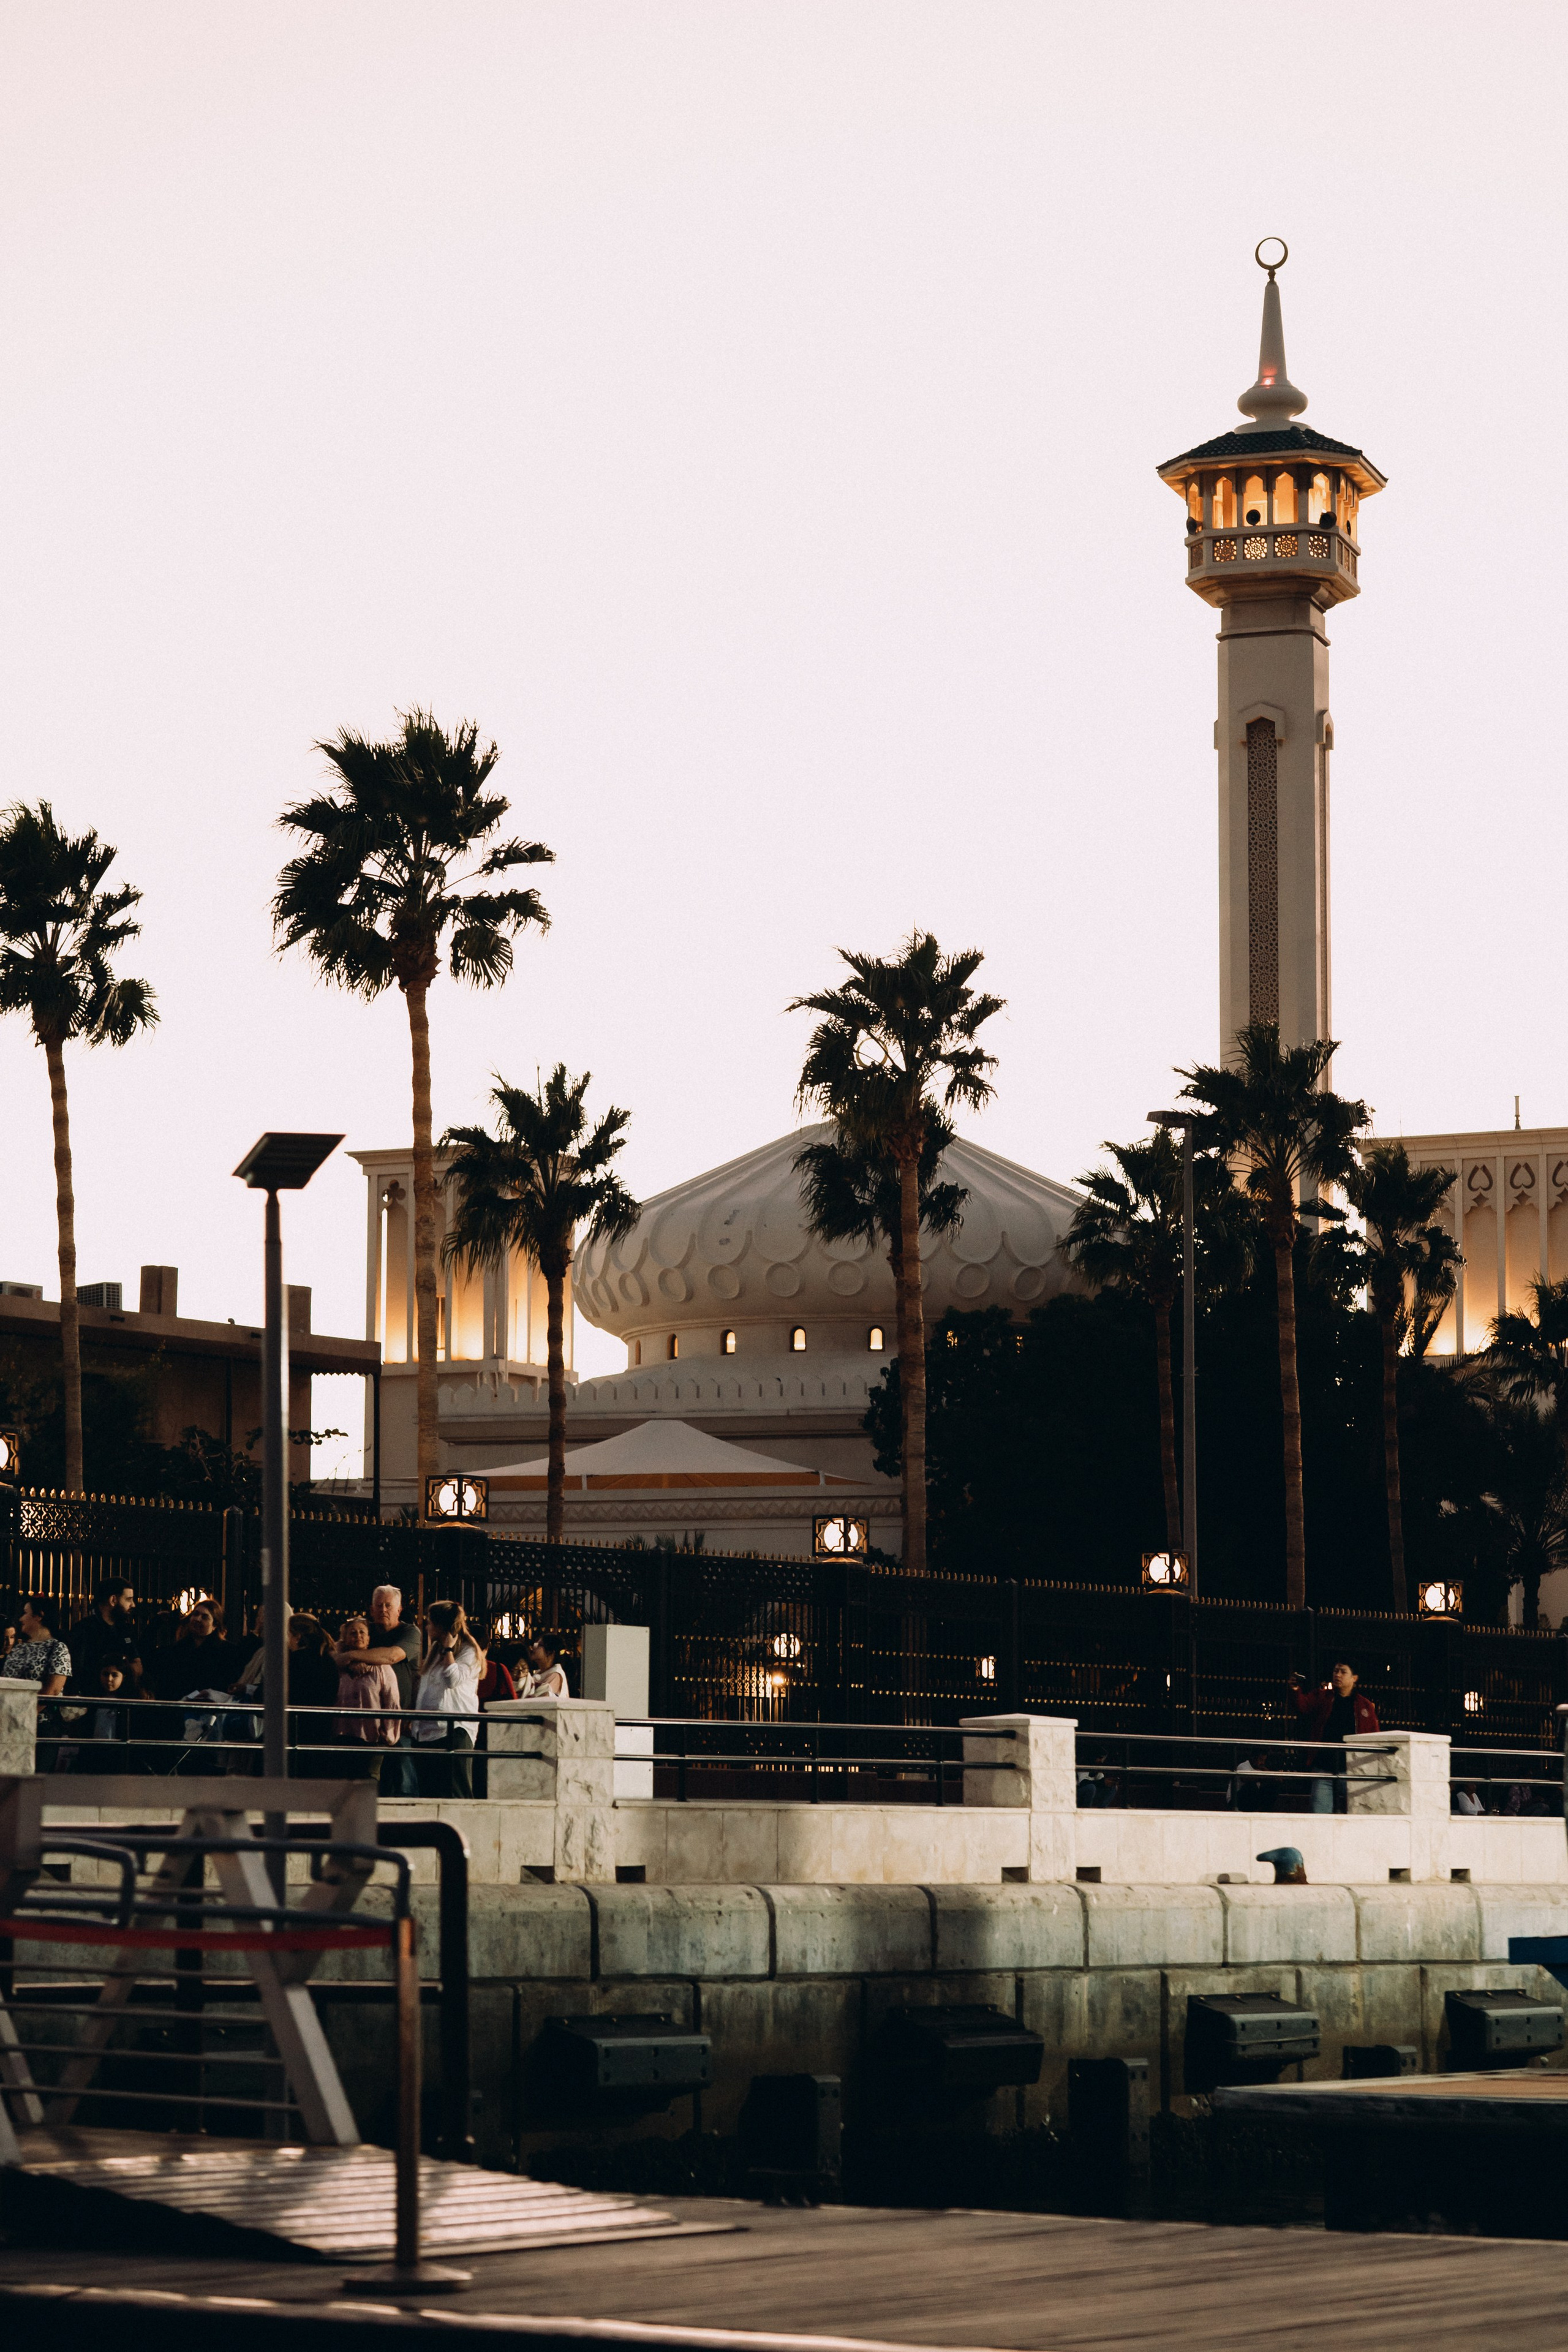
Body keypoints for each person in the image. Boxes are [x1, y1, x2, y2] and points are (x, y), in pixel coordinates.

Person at [337, 1586, 421, 1797]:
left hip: (400, 1718)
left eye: (388, 1606)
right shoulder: (365, 1631)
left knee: (403, 1780)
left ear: (399, 1610)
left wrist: (355, 1657)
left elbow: (392, 1656)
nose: (383, 1610)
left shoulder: (409, 1632)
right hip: (364, 1726)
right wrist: (351, 1660)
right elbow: (337, 1652)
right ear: (371, 1609)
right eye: (379, 1605)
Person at [1287, 1659, 1380, 1815]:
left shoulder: (1364, 1706)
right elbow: (1303, 1706)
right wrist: (1295, 1690)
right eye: (1336, 1671)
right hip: (1324, 1768)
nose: (1337, 1675)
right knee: (1320, 1815)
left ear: (1354, 1678)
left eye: (1343, 1672)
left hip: (1352, 1770)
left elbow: (1374, 1736)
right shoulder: (1323, 1697)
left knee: (1362, 1812)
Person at [412, 1599, 484, 1797]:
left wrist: (449, 1650)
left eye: (430, 1622)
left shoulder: (468, 1650)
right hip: (427, 1732)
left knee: (455, 1792)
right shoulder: (435, 1650)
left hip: (453, 1731)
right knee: (430, 1793)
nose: (426, 1626)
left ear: (441, 1625)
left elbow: (453, 1679)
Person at [331, 1614, 401, 1779]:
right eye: (353, 1633)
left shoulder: (382, 1668)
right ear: (345, 1639)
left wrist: (387, 1736)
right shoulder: (336, 1667)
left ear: (369, 1639)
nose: (358, 1636)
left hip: (371, 1738)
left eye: (362, 1632)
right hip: (341, 1737)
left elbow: (392, 1702)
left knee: (368, 1784)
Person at [68, 1580, 142, 1695]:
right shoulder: (84, 1630)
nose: (133, 1605)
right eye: (128, 1599)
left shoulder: (125, 1629)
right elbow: (77, 1671)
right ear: (113, 1600)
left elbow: (138, 1666)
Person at [519, 1632, 569, 1700]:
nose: (533, 1648)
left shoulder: (555, 1675)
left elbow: (539, 1700)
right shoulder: (539, 1673)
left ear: (550, 1652)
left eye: (539, 1645)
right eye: (535, 1644)